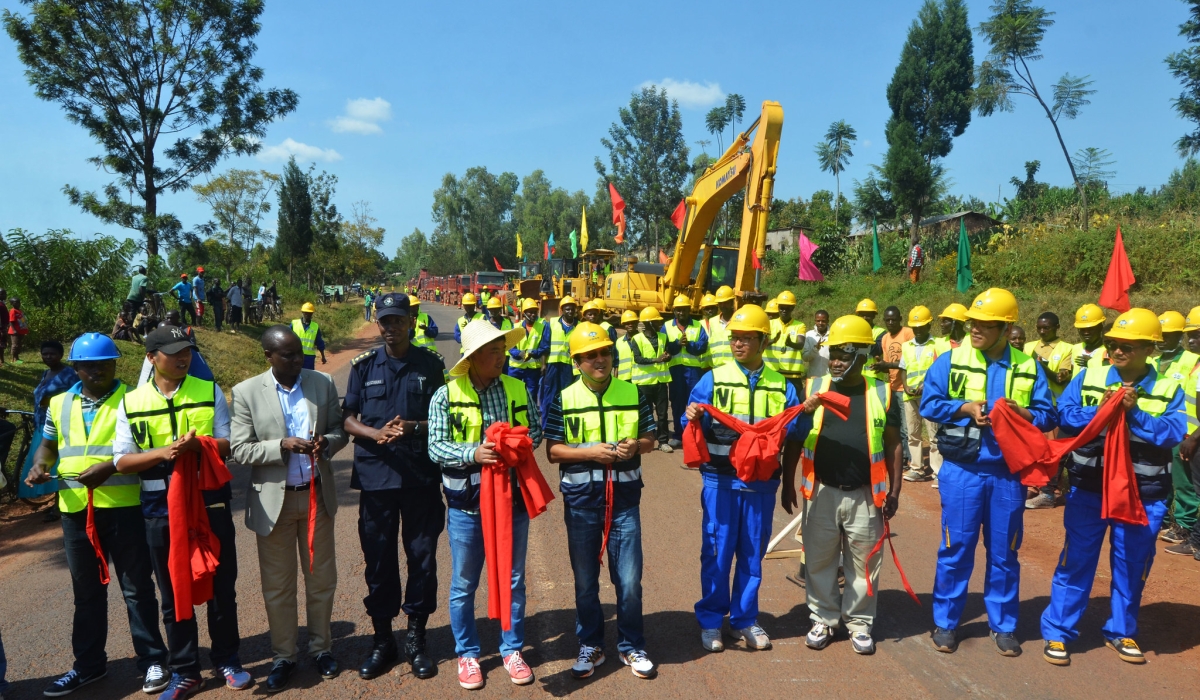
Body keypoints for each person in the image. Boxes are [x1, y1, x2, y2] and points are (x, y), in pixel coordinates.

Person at [25, 333, 170, 697]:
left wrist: (109, 467)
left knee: (136, 589)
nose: (97, 371)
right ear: (76, 368)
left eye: (105, 364)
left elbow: (151, 453)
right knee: (86, 593)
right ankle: (88, 666)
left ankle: (153, 661)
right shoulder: (59, 403)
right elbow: (47, 447)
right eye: (89, 366)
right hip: (75, 511)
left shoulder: (134, 399)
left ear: (116, 364)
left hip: (125, 508)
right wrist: (39, 467)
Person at [1040, 308, 1186, 667]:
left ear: (1149, 349)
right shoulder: (1089, 377)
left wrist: (1133, 413)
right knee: (1076, 561)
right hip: (1089, 489)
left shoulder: (1169, 389)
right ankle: (1058, 631)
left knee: (1131, 565)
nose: (1117, 351)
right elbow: (1065, 415)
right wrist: (1102, 411)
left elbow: (1171, 433)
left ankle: (1121, 631)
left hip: (1142, 495)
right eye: (1112, 344)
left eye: (1127, 346)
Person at [112, 326, 251, 698]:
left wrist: (198, 447)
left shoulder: (208, 391)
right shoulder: (132, 401)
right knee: (174, 592)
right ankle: (186, 670)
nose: (182, 358)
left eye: (186, 351)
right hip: (160, 509)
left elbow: (229, 443)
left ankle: (227, 660)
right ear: (150, 358)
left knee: (222, 587)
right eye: (173, 352)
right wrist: (163, 453)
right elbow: (122, 460)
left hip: (210, 504)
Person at [919, 287, 1056, 657]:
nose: (975, 329)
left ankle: (1004, 626)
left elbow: (1048, 415)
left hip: (1007, 475)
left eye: (984, 324)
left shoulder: (1026, 366)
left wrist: (1025, 413)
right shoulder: (950, 360)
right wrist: (964, 408)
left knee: (1004, 552)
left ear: (1004, 326)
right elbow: (929, 403)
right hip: (962, 471)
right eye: (972, 323)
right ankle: (946, 623)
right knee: (956, 548)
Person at [230, 326, 349, 691]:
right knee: (278, 586)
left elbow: (339, 431)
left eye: (299, 353)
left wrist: (325, 443)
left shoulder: (321, 384)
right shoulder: (247, 392)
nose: (298, 360)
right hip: (273, 503)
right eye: (288, 355)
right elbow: (239, 449)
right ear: (269, 357)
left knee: (321, 581)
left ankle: (321, 649)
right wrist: (280, 445)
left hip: (315, 498)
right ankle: (284, 656)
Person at [427, 319, 543, 690]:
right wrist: (473, 452)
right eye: (494, 351)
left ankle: (511, 649)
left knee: (513, 578)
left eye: (503, 349)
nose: (501, 356)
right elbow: (435, 446)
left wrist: (515, 443)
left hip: (513, 503)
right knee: (464, 583)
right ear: (474, 357)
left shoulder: (517, 388)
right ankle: (468, 654)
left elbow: (536, 432)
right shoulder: (446, 395)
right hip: (467, 506)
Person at [683, 304, 804, 653]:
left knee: (752, 554)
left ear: (762, 341)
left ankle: (744, 619)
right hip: (720, 482)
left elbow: (795, 435)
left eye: (746, 338)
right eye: (734, 337)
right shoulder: (714, 378)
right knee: (717, 553)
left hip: (761, 485)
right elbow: (687, 423)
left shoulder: (783, 387)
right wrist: (690, 414)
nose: (738, 344)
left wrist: (805, 414)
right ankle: (710, 621)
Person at [544, 322, 658, 680]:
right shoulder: (564, 398)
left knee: (628, 581)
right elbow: (553, 451)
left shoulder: (633, 392)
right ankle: (590, 643)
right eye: (590, 355)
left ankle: (631, 645)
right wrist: (592, 452)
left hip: (624, 501)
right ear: (576, 361)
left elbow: (650, 439)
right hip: (581, 502)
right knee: (585, 580)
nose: (599, 359)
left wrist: (634, 446)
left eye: (604, 352)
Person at [342, 293, 447, 681]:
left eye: (398, 320)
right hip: (377, 477)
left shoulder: (431, 366)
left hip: (420, 476)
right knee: (379, 560)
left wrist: (413, 429)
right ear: (378, 323)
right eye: (385, 321)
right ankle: (383, 640)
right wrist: (374, 432)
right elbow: (347, 418)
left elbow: (444, 417)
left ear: (411, 322)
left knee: (422, 557)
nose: (391, 327)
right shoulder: (363, 366)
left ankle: (416, 638)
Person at [785, 315, 902, 655]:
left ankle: (859, 622)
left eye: (845, 352)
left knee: (863, 562)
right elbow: (794, 439)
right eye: (833, 351)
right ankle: (823, 617)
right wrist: (786, 483)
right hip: (820, 490)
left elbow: (894, 444)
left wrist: (894, 492)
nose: (835, 359)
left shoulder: (882, 392)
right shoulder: (813, 387)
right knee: (819, 560)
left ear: (864, 354)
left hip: (866, 494)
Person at [1024, 312, 1079, 510]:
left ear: (1056, 327)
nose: (1042, 331)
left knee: (1052, 450)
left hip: (1054, 407)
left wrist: (1040, 365)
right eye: (1039, 327)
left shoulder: (1067, 349)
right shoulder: (1028, 346)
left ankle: (1052, 490)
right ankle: (1034, 485)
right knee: (1033, 448)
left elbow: (1060, 378)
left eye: (1046, 327)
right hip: (1033, 406)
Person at [18, 340, 78, 501]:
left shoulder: (69, 374)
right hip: (42, 424)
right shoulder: (46, 373)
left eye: (52, 354)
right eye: (45, 354)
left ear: (60, 355)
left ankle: (59, 504)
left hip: (60, 424)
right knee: (43, 462)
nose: (48, 357)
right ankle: (54, 502)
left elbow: (76, 397)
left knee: (58, 463)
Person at [898, 306, 942, 483]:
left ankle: (938, 472)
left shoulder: (937, 344)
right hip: (910, 396)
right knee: (913, 433)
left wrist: (927, 385)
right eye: (915, 327)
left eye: (921, 327)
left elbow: (939, 369)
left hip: (930, 396)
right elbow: (903, 368)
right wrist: (906, 385)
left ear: (929, 325)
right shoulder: (907, 346)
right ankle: (917, 468)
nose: (918, 330)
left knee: (934, 435)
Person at [869, 307, 914, 467]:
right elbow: (890, 364)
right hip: (893, 386)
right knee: (896, 424)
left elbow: (911, 360)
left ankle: (910, 459)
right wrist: (881, 367)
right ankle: (902, 456)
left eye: (893, 319)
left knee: (907, 426)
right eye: (887, 320)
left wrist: (887, 364)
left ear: (900, 319)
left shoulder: (908, 334)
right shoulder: (885, 338)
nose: (890, 323)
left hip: (907, 387)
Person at [664, 295, 709, 448]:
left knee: (695, 405)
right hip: (675, 371)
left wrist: (689, 345)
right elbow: (663, 346)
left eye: (684, 310)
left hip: (693, 371)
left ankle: (695, 437)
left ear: (689, 310)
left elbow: (703, 346)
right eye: (678, 310)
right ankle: (678, 435)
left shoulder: (697, 326)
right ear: (674, 311)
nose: (681, 313)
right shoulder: (667, 326)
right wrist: (677, 344)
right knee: (677, 403)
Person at [628, 307, 672, 453]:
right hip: (644, 383)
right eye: (656, 321)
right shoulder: (637, 339)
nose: (660, 324)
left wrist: (667, 357)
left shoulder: (663, 337)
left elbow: (667, 353)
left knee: (662, 413)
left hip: (660, 381)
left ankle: (663, 441)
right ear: (648, 323)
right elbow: (638, 359)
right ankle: (647, 440)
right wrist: (657, 360)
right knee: (646, 414)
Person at [535, 296, 580, 430]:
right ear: (562, 310)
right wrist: (543, 365)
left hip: (569, 367)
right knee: (549, 395)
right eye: (567, 309)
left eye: (572, 309)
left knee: (567, 396)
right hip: (553, 366)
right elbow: (544, 346)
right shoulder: (552, 324)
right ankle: (547, 426)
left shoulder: (579, 326)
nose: (570, 312)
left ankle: (563, 426)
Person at [768, 290, 807, 393]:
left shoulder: (800, 326)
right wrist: (772, 341)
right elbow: (760, 344)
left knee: (796, 405)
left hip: (792, 375)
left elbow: (801, 344)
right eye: (782, 307)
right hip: (772, 372)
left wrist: (791, 344)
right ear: (778, 308)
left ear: (793, 308)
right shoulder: (769, 324)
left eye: (788, 308)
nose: (784, 310)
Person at [508, 299, 544, 401]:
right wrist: (519, 353)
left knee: (531, 395)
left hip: (532, 368)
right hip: (516, 368)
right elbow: (510, 346)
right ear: (524, 313)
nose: (533, 314)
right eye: (530, 312)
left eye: (535, 312)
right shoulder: (516, 327)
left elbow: (543, 347)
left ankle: (529, 415)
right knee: (513, 393)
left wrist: (533, 353)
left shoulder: (541, 327)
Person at [1072, 304, 1108, 375]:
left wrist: (1091, 363)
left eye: (1090, 329)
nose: (1086, 333)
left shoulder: (1108, 351)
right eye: (1082, 329)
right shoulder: (1075, 348)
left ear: (1100, 327)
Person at [292, 302, 328, 370]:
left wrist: (323, 356)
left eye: (310, 313)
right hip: (295, 356)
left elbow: (320, 343)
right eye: (306, 313)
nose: (308, 315)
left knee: (308, 377)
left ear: (312, 314)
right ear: (302, 312)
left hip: (309, 358)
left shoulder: (315, 327)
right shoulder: (294, 324)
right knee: (294, 376)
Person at [803, 309, 831, 379]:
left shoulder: (833, 335)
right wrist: (815, 349)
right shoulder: (809, 335)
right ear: (815, 321)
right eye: (818, 321)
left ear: (828, 321)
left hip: (829, 378)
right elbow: (805, 358)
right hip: (813, 377)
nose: (820, 323)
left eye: (823, 321)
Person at [615, 310, 638, 382]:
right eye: (627, 323)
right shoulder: (619, 342)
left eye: (633, 323)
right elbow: (616, 364)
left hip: (640, 378)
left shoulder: (643, 339)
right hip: (624, 379)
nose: (630, 325)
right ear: (623, 325)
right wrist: (615, 381)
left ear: (637, 323)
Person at [8, 297, 28, 364]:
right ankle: (13, 359)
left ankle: (17, 358)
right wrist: (14, 330)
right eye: (16, 302)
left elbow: (22, 320)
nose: (18, 303)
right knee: (15, 345)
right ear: (12, 303)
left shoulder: (20, 310)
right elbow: (11, 321)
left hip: (21, 330)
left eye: (18, 302)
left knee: (19, 344)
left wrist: (25, 327)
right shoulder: (13, 311)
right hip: (15, 331)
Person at [0, 288, 8, 365]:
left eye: (5, 293)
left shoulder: (2, 304)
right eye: (2, 294)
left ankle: (2, 360)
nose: (4, 295)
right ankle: (1, 360)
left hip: (3, 327)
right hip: (1, 328)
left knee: (2, 344)